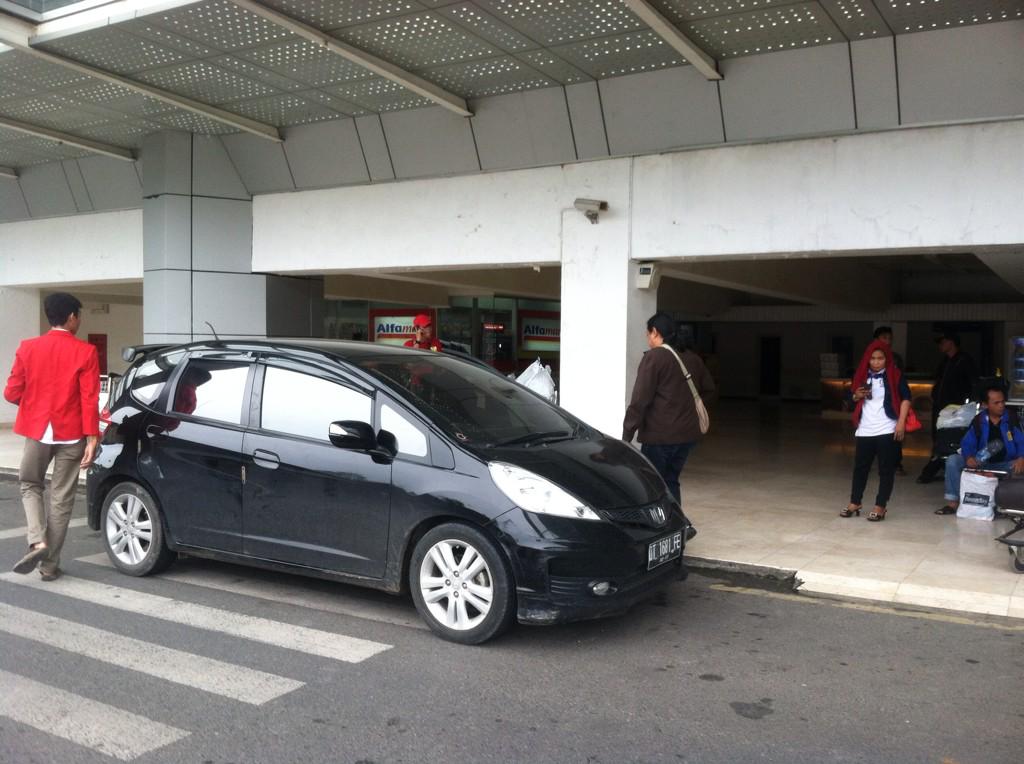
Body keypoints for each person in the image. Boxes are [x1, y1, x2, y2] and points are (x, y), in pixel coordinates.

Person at [4, 293, 100, 580]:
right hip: (72, 434)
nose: (79, 321)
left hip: (37, 431)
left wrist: (33, 406)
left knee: (30, 484)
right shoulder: (86, 352)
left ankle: (37, 541)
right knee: (61, 499)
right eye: (79, 316)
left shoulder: (27, 348)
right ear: (71, 317)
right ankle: (48, 566)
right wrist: (92, 437)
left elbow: (11, 392)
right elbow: (89, 398)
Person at [622, 312, 715, 513]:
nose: (648, 340)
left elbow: (640, 400)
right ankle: (677, 523)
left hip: (660, 437)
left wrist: (627, 435)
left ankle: (661, 527)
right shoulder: (692, 358)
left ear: (655, 332)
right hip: (688, 436)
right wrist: (687, 409)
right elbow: (709, 389)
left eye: (648, 335)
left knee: (652, 484)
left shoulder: (654, 358)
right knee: (671, 479)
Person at [841, 340, 911, 522]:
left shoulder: (895, 375)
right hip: (865, 428)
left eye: (880, 358)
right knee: (860, 468)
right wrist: (856, 395)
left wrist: (901, 422)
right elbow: (849, 398)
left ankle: (881, 506)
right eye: (872, 358)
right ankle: (855, 502)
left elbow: (906, 398)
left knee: (886, 469)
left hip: (887, 427)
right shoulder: (861, 375)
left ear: (886, 359)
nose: (876, 362)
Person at [935, 385, 1024, 515]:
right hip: (982, 462)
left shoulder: (1011, 419)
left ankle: (1012, 505)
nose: (1001, 405)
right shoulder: (979, 420)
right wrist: (969, 457)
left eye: (1002, 401)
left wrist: (1021, 457)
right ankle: (953, 503)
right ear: (985, 405)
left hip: (1006, 464)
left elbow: (1021, 441)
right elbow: (967, 442)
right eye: (996, 403)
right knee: (953, 461)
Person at [917, 332, 977, 484]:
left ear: (951, 342)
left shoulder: (964, 360)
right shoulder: (946, 361)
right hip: (940, 407)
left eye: (943, 342)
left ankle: (932, 470)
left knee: (948, 439)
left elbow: (972, 382)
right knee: (938, 436)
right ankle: (941, 468)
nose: (940, 346)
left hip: (955, 409)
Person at [873, 326, 907, 476]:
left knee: (895, 434)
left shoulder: (896, 358)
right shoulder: (870, 357)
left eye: (890, 338)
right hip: (875, 405)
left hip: (893, 402)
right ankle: (882, 463)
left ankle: (896, 463)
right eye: (884, 337)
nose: (888, 341)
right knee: (876, 437)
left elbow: (901, 382)